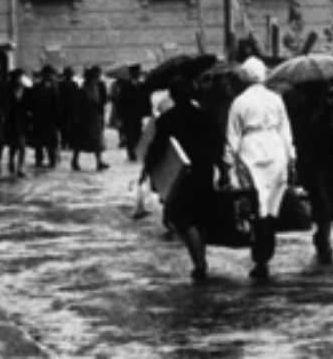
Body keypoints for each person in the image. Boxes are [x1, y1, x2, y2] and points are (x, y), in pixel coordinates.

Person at [224, 56, 295, 281]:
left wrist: (228, 167)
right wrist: (291, 157)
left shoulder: (239, 102)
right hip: (275, 150)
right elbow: (286, 131)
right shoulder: (276, 99)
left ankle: (260, 255)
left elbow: (231, 138)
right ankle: (265, 251)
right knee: (272, 204)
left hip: (251, 150)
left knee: (255, 205)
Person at [145, 77, 223, 281]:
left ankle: (199, 262)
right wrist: (222, 169)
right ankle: (201, 256)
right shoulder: (206, 117)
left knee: (185, 218)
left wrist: (148, 169)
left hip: (181, 174)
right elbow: (218, 145)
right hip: (204, 171)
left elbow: (157, 148)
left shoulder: (167, 119)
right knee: (201, 215)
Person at [284, 78, 333, 265]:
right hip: (312, 162)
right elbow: (295, 136)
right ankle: (324, 237)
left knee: (328, 200)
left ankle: (323, 234)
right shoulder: (300, 110)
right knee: (321, 199)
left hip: (332, 160)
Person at [72, 65, 109, 171]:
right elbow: (79, 104)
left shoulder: (96, 88)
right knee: (81, 141)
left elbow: (101, 101)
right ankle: (75, 160)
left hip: (95, 118)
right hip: (85, 119)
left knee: (97, 141)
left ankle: (99, 161)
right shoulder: (83, 89)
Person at [29, 65, 62, 167]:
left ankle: (51, 159)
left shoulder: (54, 87)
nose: (50, 77)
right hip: (40, 117)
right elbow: (33, 102)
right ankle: (40, 159)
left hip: (50, 117)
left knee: (51, 140)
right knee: (40, 140)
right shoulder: (38, 87)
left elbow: (57, 103)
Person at [117, 65, 150, 162]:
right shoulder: (125, 87)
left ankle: (137, 151)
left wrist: (147, 111)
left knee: (138, 133)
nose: (137, 74)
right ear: (131, 74)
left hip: (138, 114)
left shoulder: (141, 85)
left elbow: (146, 99)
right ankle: (132, 153)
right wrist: (120, 116)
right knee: (130, 134)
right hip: (128, 114)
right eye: (135, 72)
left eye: (138, 72)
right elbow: (121, 102)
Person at [4, 69, 32, 177]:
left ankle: (20, 167)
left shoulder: (26, 90)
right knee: (13, 145)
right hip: (11, 121)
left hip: (23, 120)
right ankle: (11, 161)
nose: (19, 80)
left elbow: (29, 104)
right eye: (17, 78)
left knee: (22, 145)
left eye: (20, 78)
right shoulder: (8, 90)